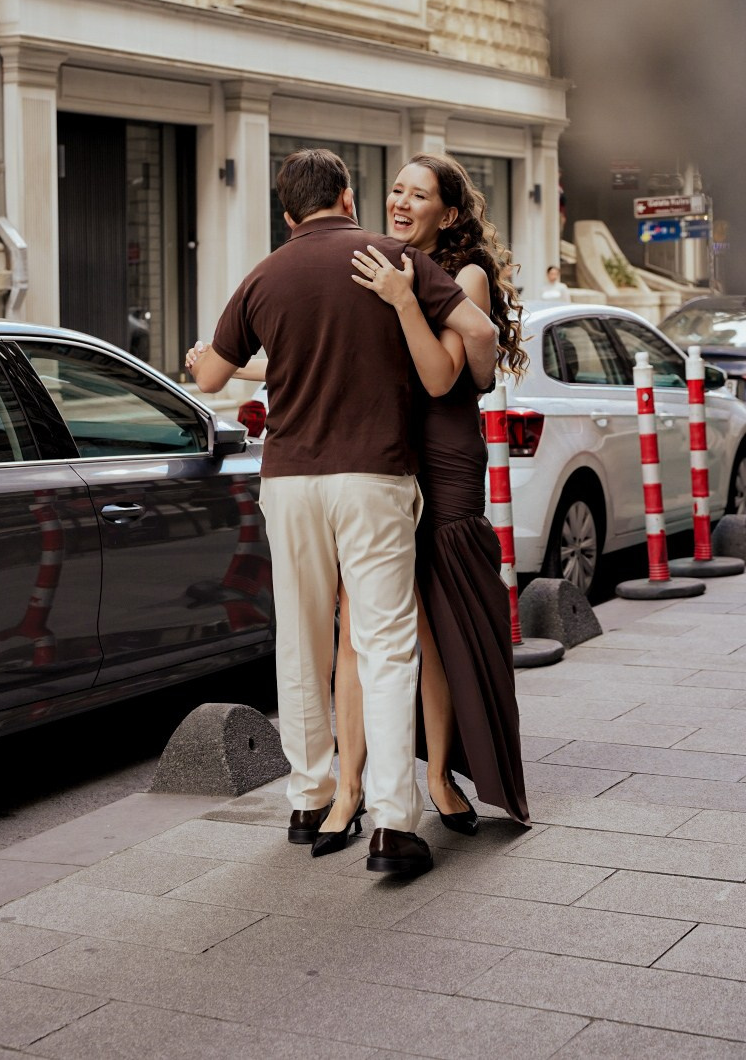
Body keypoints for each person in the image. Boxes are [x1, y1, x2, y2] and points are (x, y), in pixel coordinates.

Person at [186, 149, 498, 876]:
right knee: (386, 645)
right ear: (348, 197)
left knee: (303, 642)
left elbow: (208, 376)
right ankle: (394, 824)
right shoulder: (391, 258)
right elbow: (477, 335)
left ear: (288, 213)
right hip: (374, 476)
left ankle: (309, 798)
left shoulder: (264, 274)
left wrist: (210, 352)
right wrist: (476, 380)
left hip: (291, 480)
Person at [313, 153, 529, 856]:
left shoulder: (463, 276)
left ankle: (438, 776)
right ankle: (350, 787)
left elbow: (443, 379)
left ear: (451, 212)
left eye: (418, 194)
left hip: (442, 459)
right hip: (381, 459)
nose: (400, 202)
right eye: (395, 190)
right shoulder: (376, 262)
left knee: (436, 618)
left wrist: (405, 300)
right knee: (356, 621)